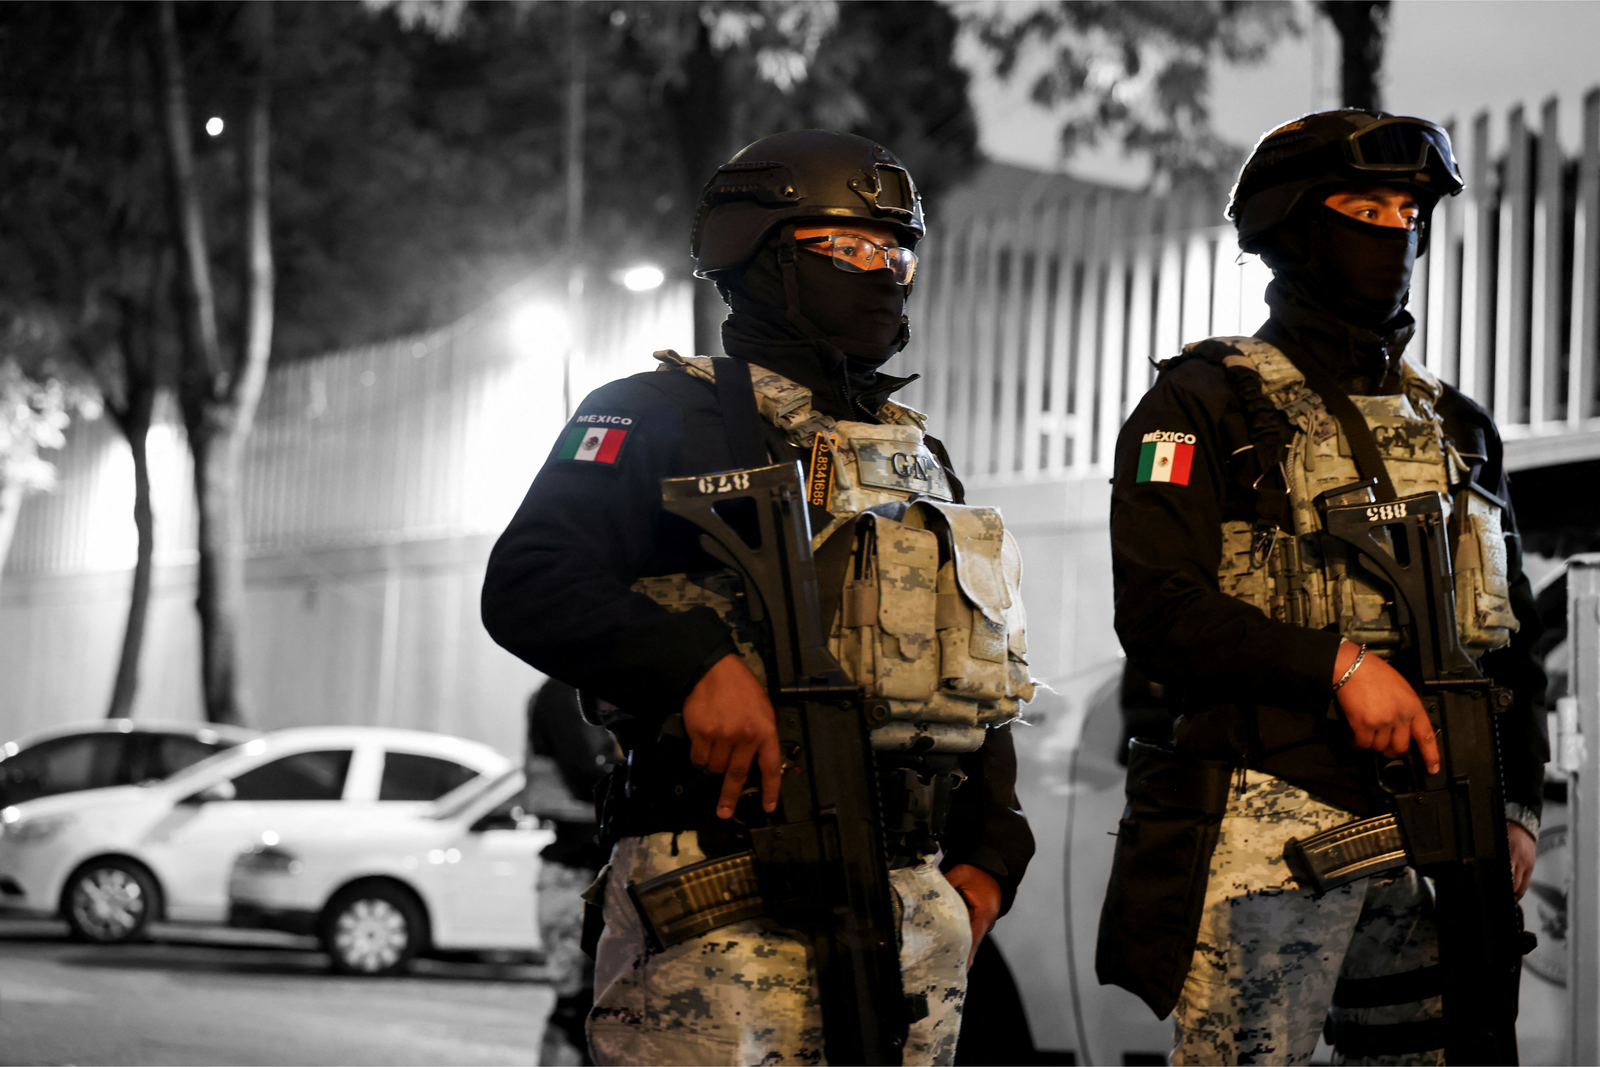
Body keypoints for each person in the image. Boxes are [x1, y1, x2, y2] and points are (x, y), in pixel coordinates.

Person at [482, 129, 1035, 1067]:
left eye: (896, 250)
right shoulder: (654, 410)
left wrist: (991, 851)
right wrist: (694, 663)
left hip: (908, 895)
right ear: (764, 254)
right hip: (722, 884)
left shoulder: (914, 451)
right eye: (850, 248)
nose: (885, 272)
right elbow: (529, 579)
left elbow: (969, 668)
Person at [1097, 109, 1548, 1065]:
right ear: (1297, 225)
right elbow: (1158, 609)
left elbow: (1511, 638)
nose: (1392, 231)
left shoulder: (1458, 426)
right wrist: (1337, 665)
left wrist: (1517, 804)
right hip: (1277, 821)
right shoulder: (1200, 402)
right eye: (1362, 207)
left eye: (1406, 211)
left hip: (1451, 834)